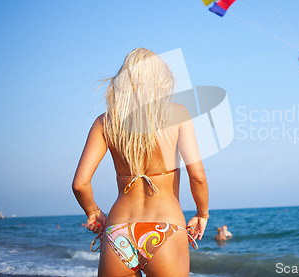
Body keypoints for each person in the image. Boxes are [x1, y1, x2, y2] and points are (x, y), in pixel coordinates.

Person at [72, 48, 209, 277]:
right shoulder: (177, 115)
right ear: (161, 81)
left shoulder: (106, 123)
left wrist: (93, 212)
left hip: (119, 231)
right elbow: (198, 176)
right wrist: (202, 213)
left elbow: (79, 184)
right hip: (165, 227)